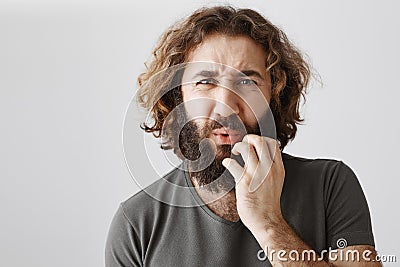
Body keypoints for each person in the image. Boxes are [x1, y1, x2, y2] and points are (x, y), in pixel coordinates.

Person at [106, 6, 380, 266]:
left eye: (247, 82)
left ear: (275, 95)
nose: (228, 105)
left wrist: (269, 224)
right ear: (178, 97)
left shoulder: (329, 186)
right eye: (205, 82)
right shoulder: (137, 224)